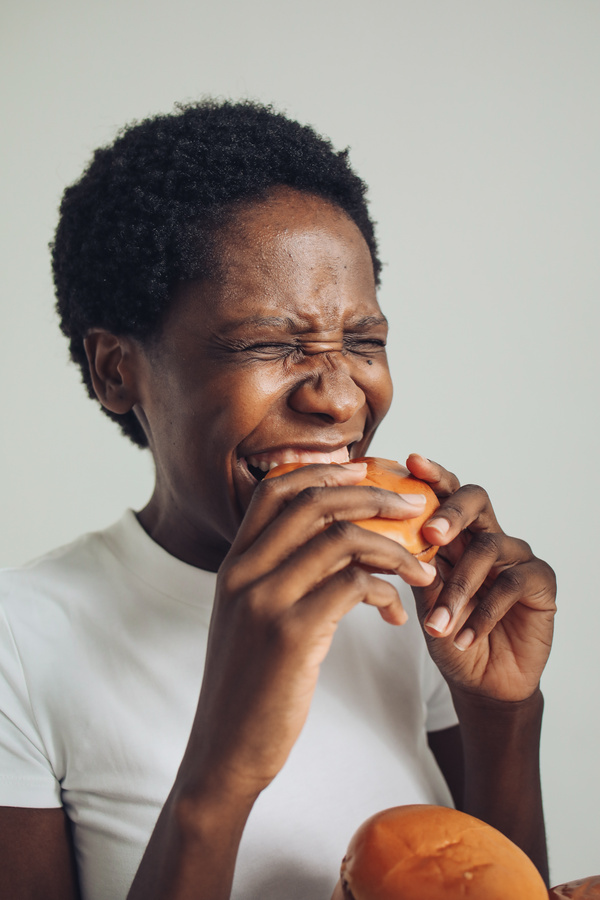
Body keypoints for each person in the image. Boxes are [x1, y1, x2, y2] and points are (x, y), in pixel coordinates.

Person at [0, 100, 557, 900]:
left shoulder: (408, 598)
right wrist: (225, 766)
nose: (341, 397)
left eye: (362, 342)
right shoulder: (19, 645)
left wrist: (501, 713)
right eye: (268, 344)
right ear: (116, 371)